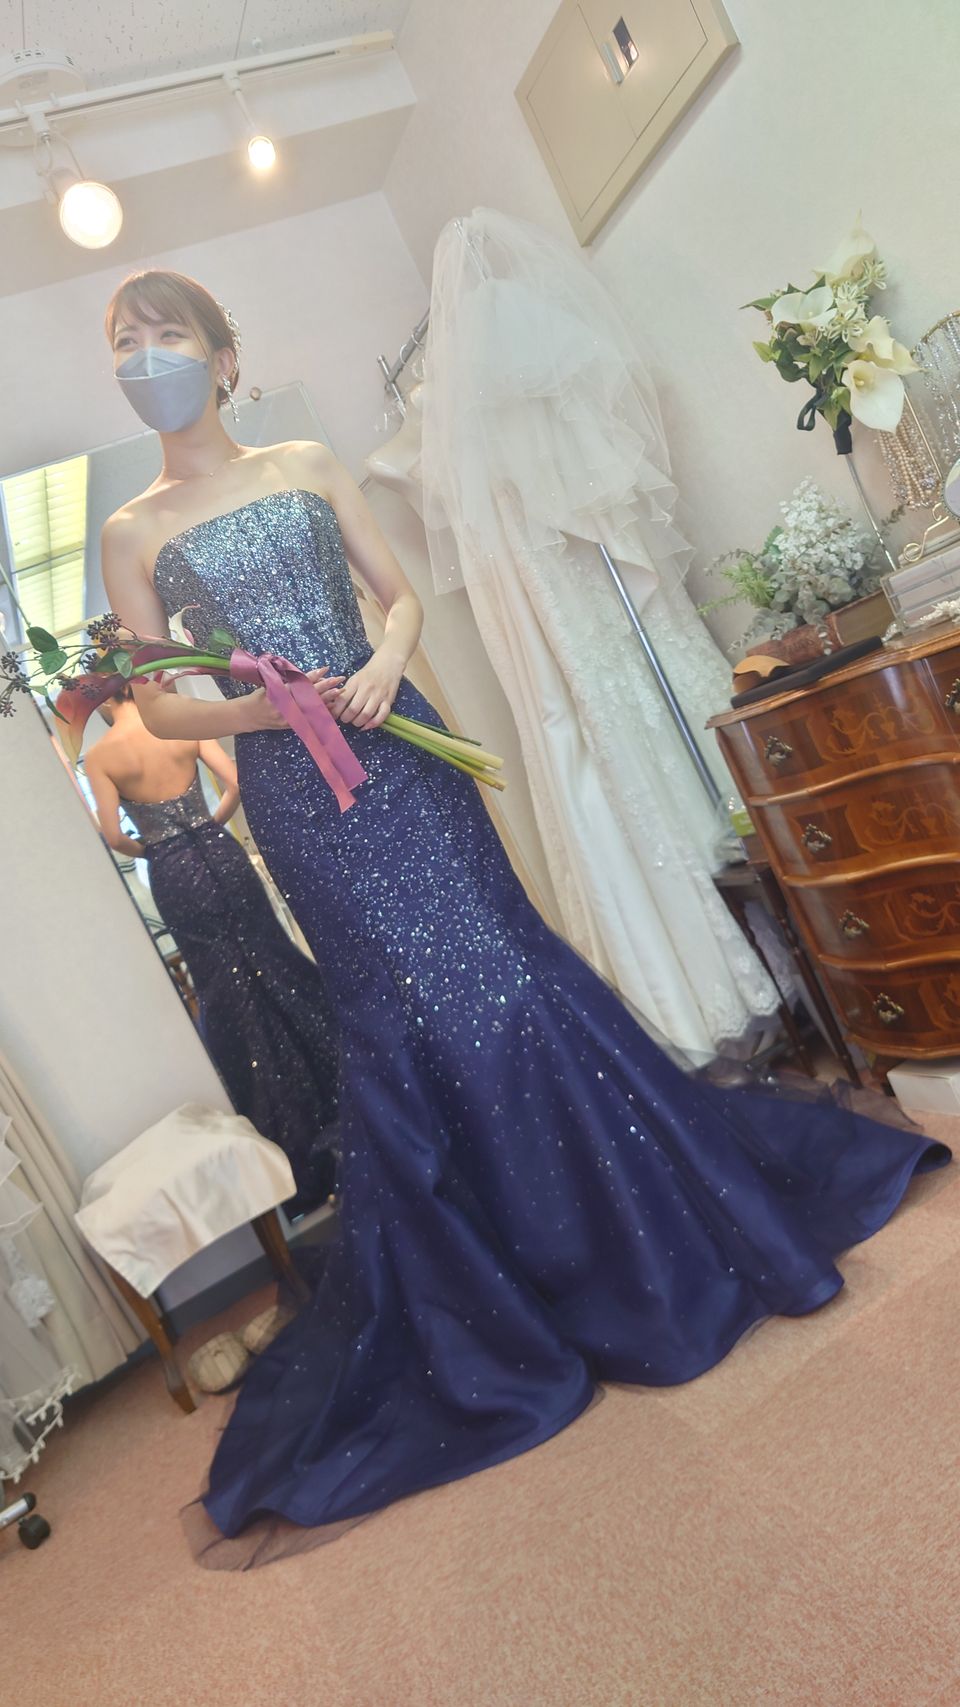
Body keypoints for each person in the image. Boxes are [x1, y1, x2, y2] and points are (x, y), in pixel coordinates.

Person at [100, 268, 948, 1566]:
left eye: (167, 336)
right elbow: (158, 700)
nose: (146, 358)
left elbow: (396, 594)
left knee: (501, 970)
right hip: (299, 791)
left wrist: (385, 660)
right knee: (403, 1013)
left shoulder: (306, 462)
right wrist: (261, 706)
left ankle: (623, 1227)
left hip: (402, 749)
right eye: (125, 343)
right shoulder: (132, 528)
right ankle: (496, 1284)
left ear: (222, 357)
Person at [86, 684, 338, 1217]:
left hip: (174, 872)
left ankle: (285, 1148)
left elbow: (112, 835)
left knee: (226, 993)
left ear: (103, 698)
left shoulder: (102, 756)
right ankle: (344, 1090)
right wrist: (210, 824)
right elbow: (236, 782)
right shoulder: (178, 723)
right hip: (220, 852)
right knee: (275, 958)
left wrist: (154, 849)